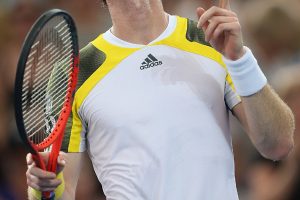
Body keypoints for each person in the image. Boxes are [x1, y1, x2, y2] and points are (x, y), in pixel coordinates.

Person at [25, 0, 295, 199]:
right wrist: (42, 188)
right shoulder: (75, 71)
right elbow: (63, 190)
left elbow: (278, 144)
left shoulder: (210, 39)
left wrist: (240, 59)